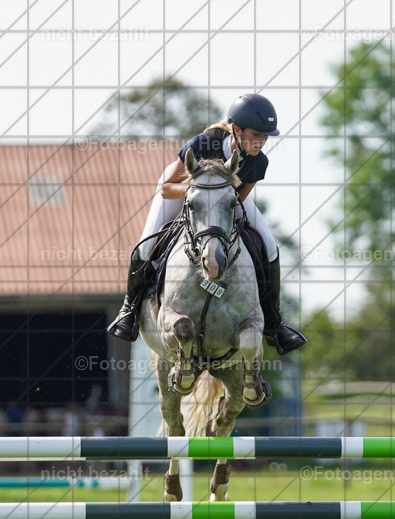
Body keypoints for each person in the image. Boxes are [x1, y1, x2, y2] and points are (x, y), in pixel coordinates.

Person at [107, 93, 307, 355]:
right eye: (255, 134)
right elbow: (168, 188)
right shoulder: (203, 144)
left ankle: (275, 323)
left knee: (269, 246)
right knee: (147, 245)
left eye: (265, 136)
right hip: (181, 190)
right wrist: (199, 191)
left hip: (225, 197)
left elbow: (238, 199)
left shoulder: (259, 162)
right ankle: (129, 312)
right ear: (236, 130)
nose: (260, 142)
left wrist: (222, 212)